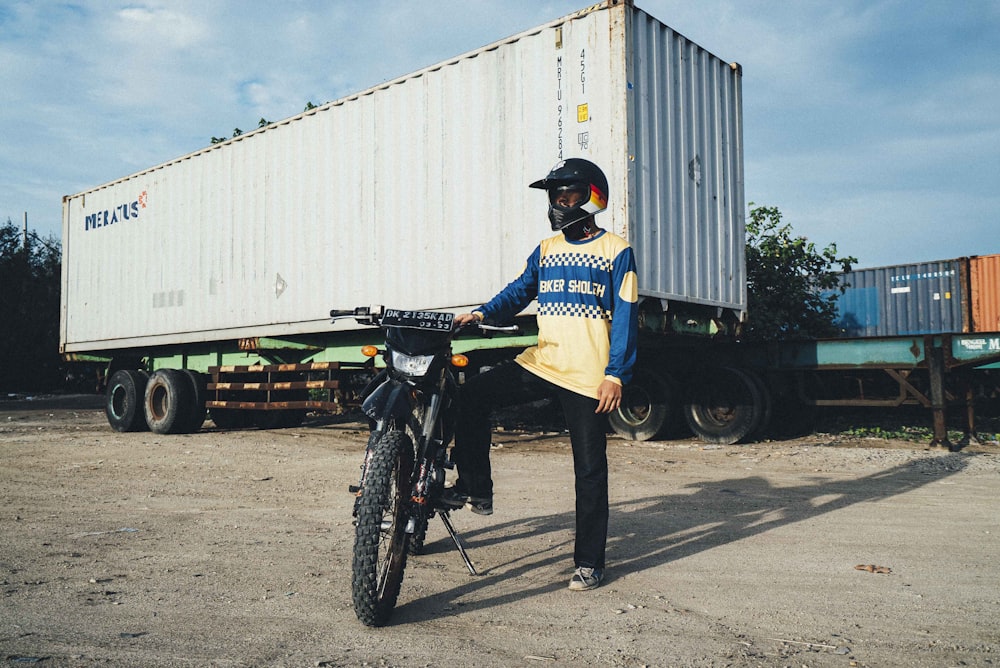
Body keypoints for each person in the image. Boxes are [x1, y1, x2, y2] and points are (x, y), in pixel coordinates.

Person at [442, 158, 639, 591]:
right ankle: (477, 488)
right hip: (543, 362)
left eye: (567, 193)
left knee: (590, 470)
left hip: (588, 375)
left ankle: (590, 562)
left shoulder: (616, 251)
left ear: (592, 196)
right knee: (472, 394)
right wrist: (480, 313)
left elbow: (626, 317)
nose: (558, 202)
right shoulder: (547, 250)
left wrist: (616, 375)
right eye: (554, 194)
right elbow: (518, 291)